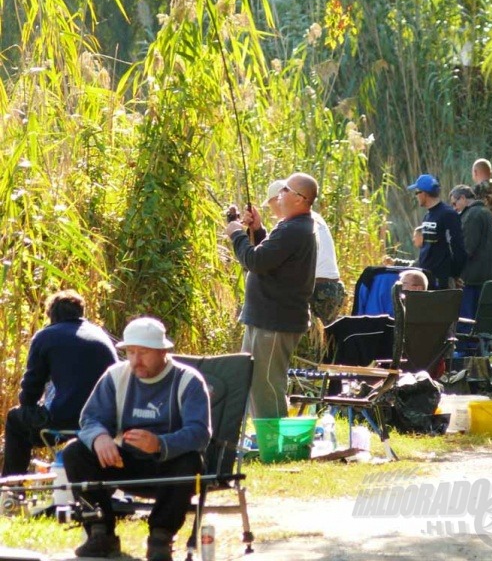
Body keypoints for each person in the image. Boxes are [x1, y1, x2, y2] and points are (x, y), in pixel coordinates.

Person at [62, 317, 211, 561]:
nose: (135, 360)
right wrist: (100, 438)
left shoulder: (189, 381)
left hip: (167, 467)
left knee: (190, 460)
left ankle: (160, 538)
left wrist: (161, 444)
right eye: (130, 352)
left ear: (163, 351)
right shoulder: (115, 376)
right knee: (75, 452)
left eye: (144, 352)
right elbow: (89, 419)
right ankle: (101, 533)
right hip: (123, 463)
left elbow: (200, 432)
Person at [226, 172, 317, 418]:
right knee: (254, 381)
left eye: (286, 190)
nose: (280, 194)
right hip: (264, 317)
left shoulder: (295, 229)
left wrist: (236, 234)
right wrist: (258, 229)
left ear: (301, 199)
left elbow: (255, 260)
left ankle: (276, 445)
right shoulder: (291, 227)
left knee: (265, 384)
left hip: (275, 321)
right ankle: (267, 439)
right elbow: (272, 258)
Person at [2, 289, 118, 478]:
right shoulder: (99, 334)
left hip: (68, 420)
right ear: (81, 313)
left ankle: (11, 489)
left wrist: (32, 408)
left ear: (50, 315)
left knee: (16, 419)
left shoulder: (45, 336)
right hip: (106, 420)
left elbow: (29, 392)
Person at [264, 179, 345, 325]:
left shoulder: (294, 224)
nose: (273, 212)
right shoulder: (311, 218)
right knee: (324, 345)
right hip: (333, 289)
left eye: (272, 206)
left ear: (278, 199)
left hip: (316, 290)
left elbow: (272, 259)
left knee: (305, 344)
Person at [449, 184, 492, 325]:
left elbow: (466, 249)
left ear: (463, 198)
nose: (454, 208)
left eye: (455, 203)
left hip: (472, 280)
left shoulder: (472, 215)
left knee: (467, 323)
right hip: (489, 278)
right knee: (482, 324)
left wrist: (455, 272)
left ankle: (466, 347)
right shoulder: (488, 213)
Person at [407, 174, 466, 290]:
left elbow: (458, 247)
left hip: (442, 279)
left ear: (424, 193)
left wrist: (454, 274)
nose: (416, 196)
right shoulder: (428, 215)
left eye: (416, 193)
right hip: (426, 276)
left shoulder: (448, 214)